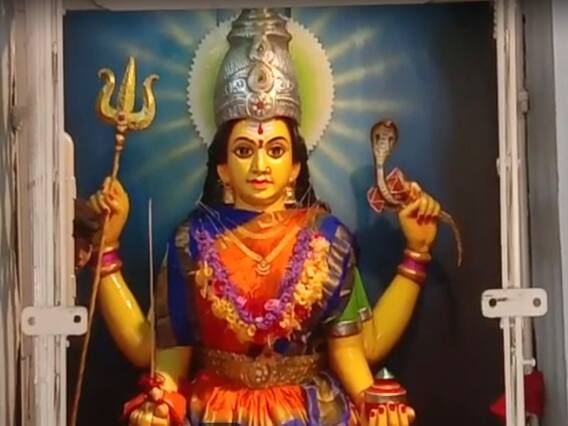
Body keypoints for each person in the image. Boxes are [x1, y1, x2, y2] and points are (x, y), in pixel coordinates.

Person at [87, 9, 441, 426]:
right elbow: (161, 357)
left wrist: (416, 253)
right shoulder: (193, 240)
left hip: (310, 414)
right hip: (216, 411)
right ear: (222, 168)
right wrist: (107, 248)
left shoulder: (328, 239)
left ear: (294, 166)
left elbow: (355, 351)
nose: (260, 165)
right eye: (243, 151)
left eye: (275, 150)